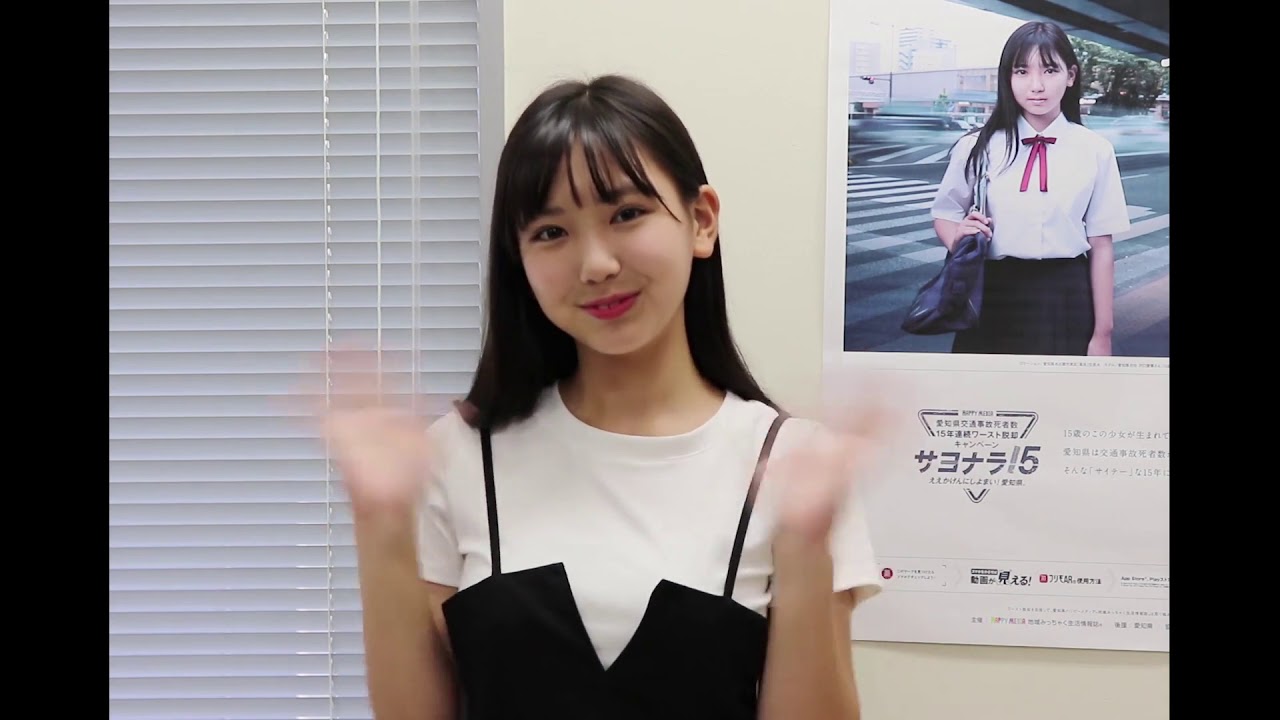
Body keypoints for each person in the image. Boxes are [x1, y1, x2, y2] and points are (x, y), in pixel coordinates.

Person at [315, 75, 885, 719]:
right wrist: (380, 526)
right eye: (550, 232)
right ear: (519, 259)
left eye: (626, 214)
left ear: (701, 221)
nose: (595, 264)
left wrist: (806, 551)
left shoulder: (794, 463)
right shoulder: (456, 455)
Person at [930, 20, 1131, 356]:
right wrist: (959, 239)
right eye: (1022, 71)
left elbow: (1101, 246)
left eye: (1049, 70)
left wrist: (1103, 334)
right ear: (1008, 78)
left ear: (1070, 75)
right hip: (993, 293)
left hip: (1066, 296)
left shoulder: (1095, 150)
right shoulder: (977, 146)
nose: (1036, 86)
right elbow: (945, 213)